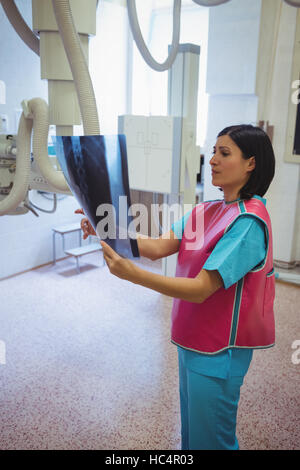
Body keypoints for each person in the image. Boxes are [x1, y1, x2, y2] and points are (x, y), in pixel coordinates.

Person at [76, 124, 276, 450]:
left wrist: (132, 274)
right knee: (194, 437)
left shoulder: (248, 222)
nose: (211, 160)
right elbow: (155, 246)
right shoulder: (207, 210)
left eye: (224, 153)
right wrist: (103, 228)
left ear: (251, 163)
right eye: (213, 151)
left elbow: (200, 288)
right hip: (193, 341)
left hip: (219, 352)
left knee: (213, 441)